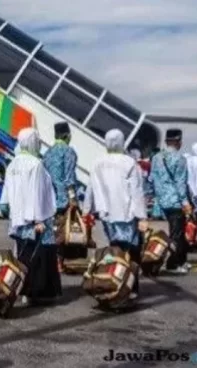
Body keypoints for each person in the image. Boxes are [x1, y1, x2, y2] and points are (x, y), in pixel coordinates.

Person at [0, 128, 61, 306]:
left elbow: (7, 189)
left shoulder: (13, 163)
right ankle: (33, 292)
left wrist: (4, 206)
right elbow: (37, 194)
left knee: (23, 254)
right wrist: (38, 220)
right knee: (36, 257)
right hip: (35, 219)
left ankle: (21, 288)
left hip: (18, 219)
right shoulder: (36, 164)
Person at [82, 129, 147, 301]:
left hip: (107, 214)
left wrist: (86, 209)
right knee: (132, 251)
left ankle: (115, 281)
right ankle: (130, 286)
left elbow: (90, 187)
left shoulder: (98, 162)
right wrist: (142, 217)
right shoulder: (130, 163)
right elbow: (137, 191)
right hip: (127, 214)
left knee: (115, 248)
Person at [149, 128, 192, 274]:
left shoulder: (156, 157)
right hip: (175, 201)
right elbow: (181, 183)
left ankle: (181, 260)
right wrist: (186, 202)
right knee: (177, 234)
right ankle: (172, 264)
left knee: (176, 232)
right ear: (178, 141)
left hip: (160, 201)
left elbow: (152, 179)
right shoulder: (180, 159)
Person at [42, 121, 80, 271]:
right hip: (63, 198)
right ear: (66, 135)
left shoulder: (48, 153)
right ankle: (59, 262)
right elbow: (69, 177)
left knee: (52, 230)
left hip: (49, 198)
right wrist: (72, 197)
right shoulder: (68, 151)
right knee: (64, 230)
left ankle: (51, 260)